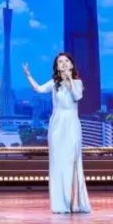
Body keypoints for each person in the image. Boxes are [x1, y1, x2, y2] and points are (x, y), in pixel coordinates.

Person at [22, 53, 91, 214]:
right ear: (57, 67)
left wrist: (69, 80)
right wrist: (28, 75)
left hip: (72, 124)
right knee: (58, 163)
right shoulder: (54, 83)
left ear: (72, 65)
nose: (64, 63)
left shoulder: (77, 82)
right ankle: (61, 204)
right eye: (60, 62)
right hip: (57, 125)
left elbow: (77, 96)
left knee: (73, 162)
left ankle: (75, 202)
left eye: (67, 61)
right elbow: (39, 89)